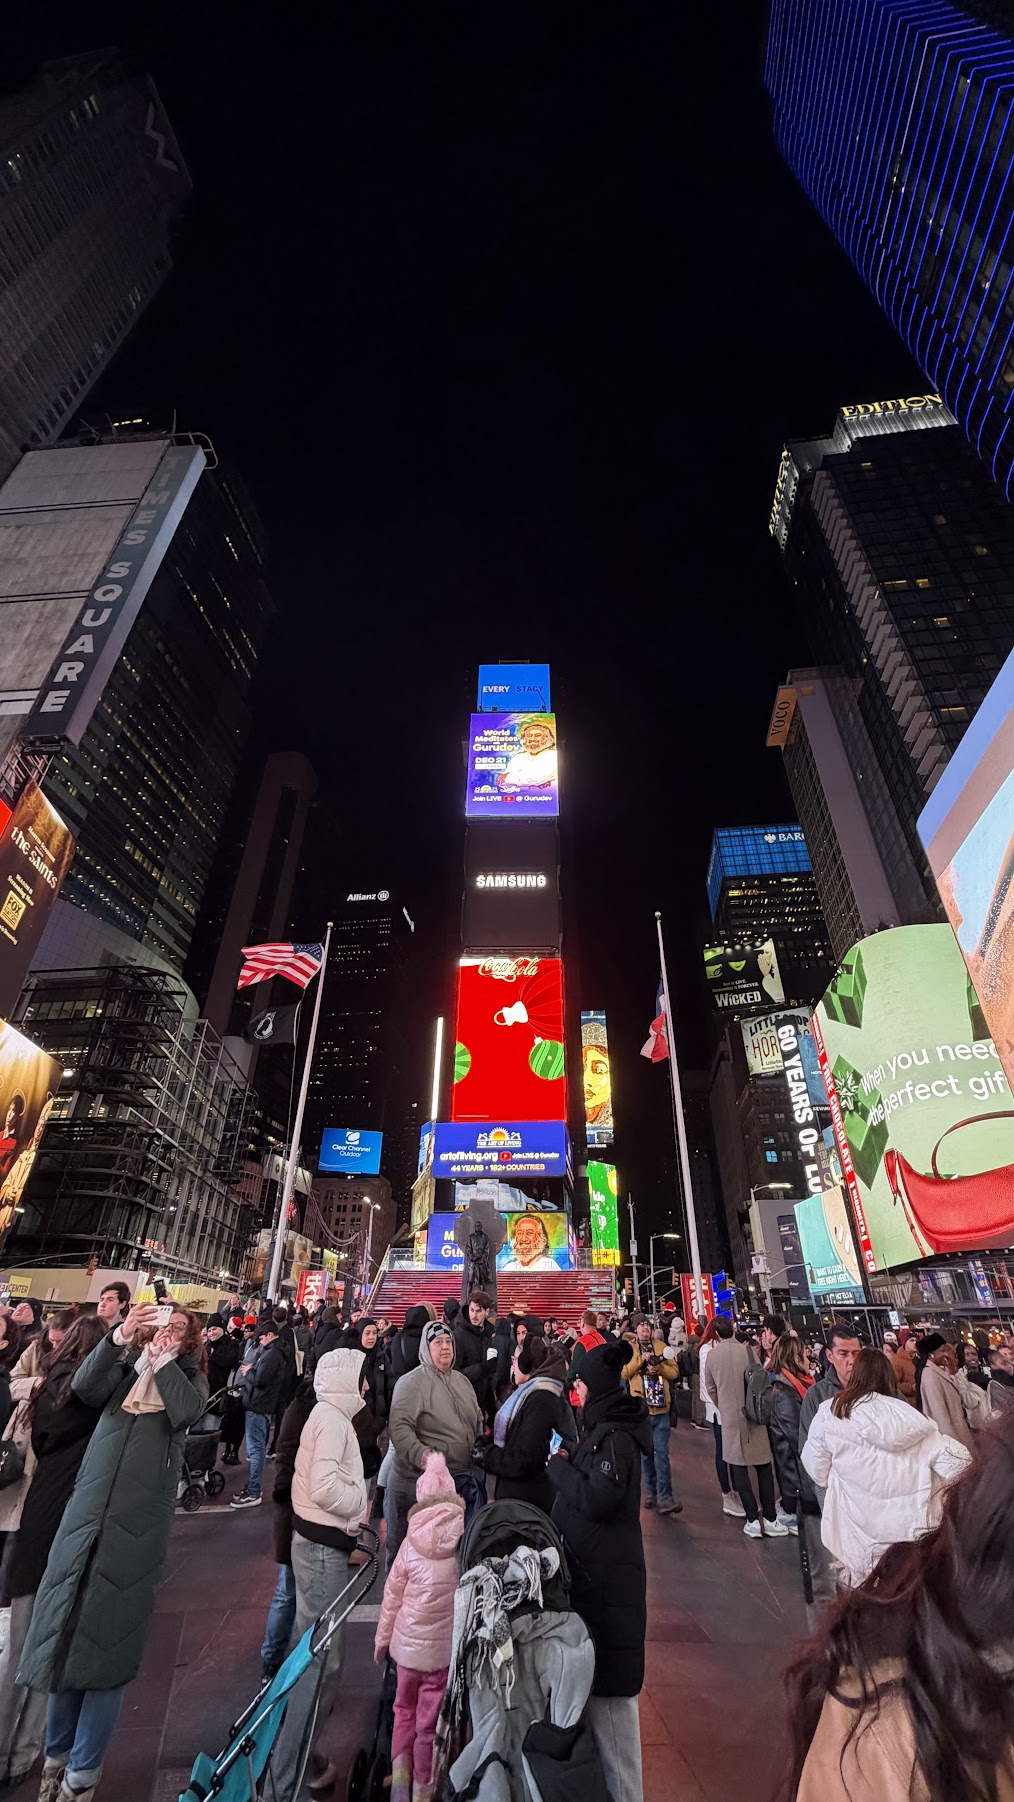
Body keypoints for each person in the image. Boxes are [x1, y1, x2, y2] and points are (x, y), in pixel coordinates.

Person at [19, 1301, 207, 1802]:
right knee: (63, 1638)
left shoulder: (185, 1378)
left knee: (107, 1651)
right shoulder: (123, 1372)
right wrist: (120, 1336)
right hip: (85, 1517)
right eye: (161, 1325)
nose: (167, 1332)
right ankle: (53, 1761)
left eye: (178, 1328)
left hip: (135, 1531)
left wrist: (164, 1363)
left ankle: (83, 1775)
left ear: (190, 1341)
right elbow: (83, 1388)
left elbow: (187, 1412)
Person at [782, 1417, 1014, 1802]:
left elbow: (813, 1463)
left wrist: (835, 1497)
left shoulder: (831, 1415)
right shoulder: (920, 1426)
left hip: (860, 1546)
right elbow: (954, 1456)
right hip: (906, 1538)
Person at [0, 1315, 107, 1788]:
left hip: (34, 1519)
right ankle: (23, 1752)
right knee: (51, 1643)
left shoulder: (41, 1393)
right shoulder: (94, 1403)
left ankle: (11, 1748)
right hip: (66, 1524)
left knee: (22, 1640)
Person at [548, 1340, 649, 1802]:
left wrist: (559, 1472)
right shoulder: (603, 1429)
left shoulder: (614, 1437)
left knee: (613, 1721)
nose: (577, 1395)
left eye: (581, 1386)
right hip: (598, 1581)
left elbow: (599, 1497)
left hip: (611, 1590)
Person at [268, 1349, 368, 1801]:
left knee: (313, 1657)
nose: (366, 1387)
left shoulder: (325, 1416)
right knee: (319, 1664)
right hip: (323, 1547)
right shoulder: (331, 1422)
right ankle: (284, 1781)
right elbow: (326, 1486)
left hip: (314, 1542)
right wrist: (359, 1507)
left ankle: (298, 1762)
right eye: (361, 1379)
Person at [374, 1450, 465, 1802]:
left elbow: (391, 1600)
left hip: (406, 1654)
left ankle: (399, 1782)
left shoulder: (410, 1547)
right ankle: (423, 1789)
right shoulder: (459, 1545)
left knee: (403, 1712)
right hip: (441, 1657)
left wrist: (382, 1642)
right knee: (429, 1725)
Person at [702, 1315, 788, 1538]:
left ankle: (752, 1519)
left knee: (737, 1465)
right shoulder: (749, 1352)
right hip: (755, 1413)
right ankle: (770, 1518)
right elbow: (762, 1382)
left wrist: (724, 1405)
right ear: (732, 1329)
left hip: (730, 1417)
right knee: (762, 1466)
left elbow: (709, 1387)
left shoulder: (712, 1355)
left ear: (717, 1333)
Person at [479, 1334, 576, 1512]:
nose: (512, 1366)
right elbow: (519, 1431)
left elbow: (524, 1457)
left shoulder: (541, 1399)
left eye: (515, 1360)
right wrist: (488, 1441)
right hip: (523, 1498)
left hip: (526, 1503)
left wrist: (488, 1456)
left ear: (525, 1364)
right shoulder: (531, 1393)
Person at [622, 1318, 682, 1514]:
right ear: (636, 1329)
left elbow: (674, 1372)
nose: (644, 1328)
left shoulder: (661, 1346)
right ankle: (651, 1492)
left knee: (661, 1453)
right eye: (641, 1325)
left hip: (661, 1408)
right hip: (641, 1408)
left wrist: (660, 1368)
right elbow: (625, 1373)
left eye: (647, 1325)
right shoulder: (631, 1349)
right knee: (646, 1453)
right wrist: (641, 1360)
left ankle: (666, 1496)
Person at [231, 1321, 285, 1508]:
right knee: (256, 1449)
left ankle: (254, 1491)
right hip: (260, 1404)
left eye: (261, 1338)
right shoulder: (273, 1352)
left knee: (255, 1450)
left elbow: (261, 1380)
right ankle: (253, 1488)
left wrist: (249, 1371)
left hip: (259, 1405)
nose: (260, 1342)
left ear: (270, 1335)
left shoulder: (272, 1355)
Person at [767, 1334, 815, 1537]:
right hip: (798, 1483)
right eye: (805, 1355)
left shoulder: (799, 1385)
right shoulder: (784, 1393)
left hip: (803, 1477)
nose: (809, 1360)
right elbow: (798, 1439)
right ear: (795, 1358)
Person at [697, 1316, 742, 1516]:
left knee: (733, 1449)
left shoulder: (725, 1347)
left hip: (729, 1405)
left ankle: (737, 1491)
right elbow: (709, 1383)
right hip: (718, 1407)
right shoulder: (708, 1349)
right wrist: (717, 1403)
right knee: (723, 1450)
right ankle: (727, 1493)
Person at [916, 1335, 978, 1453]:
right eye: (942, 1351)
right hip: (954, 1439)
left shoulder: (940, 1371)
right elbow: (940, 1415)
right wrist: (954, 1447)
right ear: (931, 1354)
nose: (946, 1355)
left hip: (960, 1432)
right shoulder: (930, 1376)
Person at [452, 1291, 496, 1423]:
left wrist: (492, 1409)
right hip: (463, 1401)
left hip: (482, 1401)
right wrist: (482, 1367)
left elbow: (488, 1375)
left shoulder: (488, 1334)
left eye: (478, 1311)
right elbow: (454, 1373)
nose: (474, 1315)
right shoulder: (458, 1335)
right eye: (472, 1310)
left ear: (487, 1312)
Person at [389, 1303, 437, 1385]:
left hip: (402, 1385)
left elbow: (396, 1366)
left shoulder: (399, 1336)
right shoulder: (432, 1337)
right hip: (427, 1386)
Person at [565, 1310, 604, 1398]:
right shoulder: (602, 1339)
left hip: (584, 1395)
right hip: (601, 1391)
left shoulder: (583, 1342)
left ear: (583, 1323)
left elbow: (573, 1372)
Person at [882, 1330, 917, 1403]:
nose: (915, 1343)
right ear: (905, 1343)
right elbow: (893, 1384)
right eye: (911, 1340)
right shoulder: (897, 1361)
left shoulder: (918, 1358)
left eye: (916, 1340)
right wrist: (911, 1387)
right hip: (909, 1403)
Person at [988, 1342, 1014, 1416]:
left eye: (1010, 1353)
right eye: (1004, 1363)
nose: (1009, 1365)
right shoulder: (997, 1384)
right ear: (994, 1366)